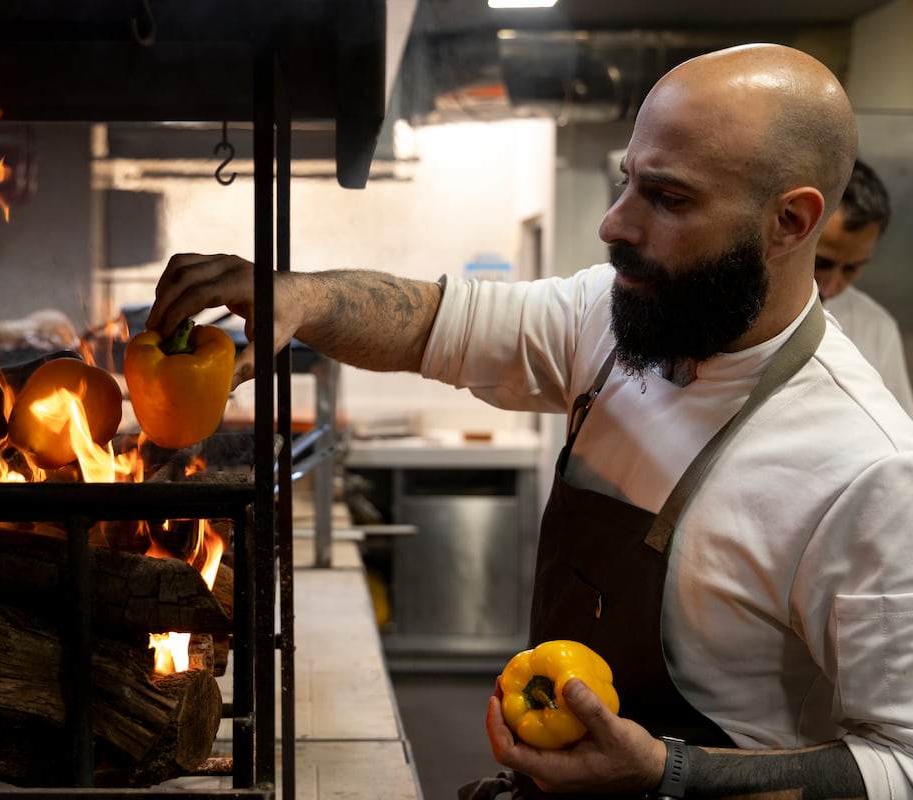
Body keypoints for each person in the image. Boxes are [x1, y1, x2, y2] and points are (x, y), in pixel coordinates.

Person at [146, 43, 913, 800]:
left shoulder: (864, 470)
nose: (615, 224)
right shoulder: (612, 322)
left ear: (790, 221)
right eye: (626, 183)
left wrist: (670, 775)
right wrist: (301, 297)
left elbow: (901, 762)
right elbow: (433, 322)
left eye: (668, 199)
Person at [816, 159, 913, 414]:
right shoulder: (749, 309)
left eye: (852, 268)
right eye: (821, 262)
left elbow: (899, 426)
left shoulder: (877, 327)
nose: (831, 286)